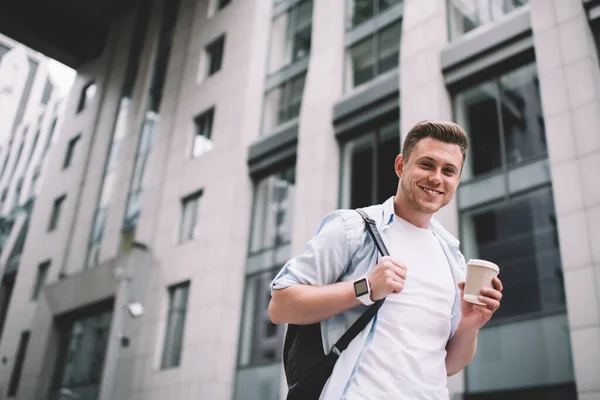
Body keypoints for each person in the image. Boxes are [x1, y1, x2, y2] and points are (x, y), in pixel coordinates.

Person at [268, 120, 504, 399]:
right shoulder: (353, 229)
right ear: (401, 166)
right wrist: (365, 288)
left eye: (448, 171)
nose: (437, 178)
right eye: (427, 165)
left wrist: (471, 323)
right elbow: (280, 305)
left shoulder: (452, 257)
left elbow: (447, 365)